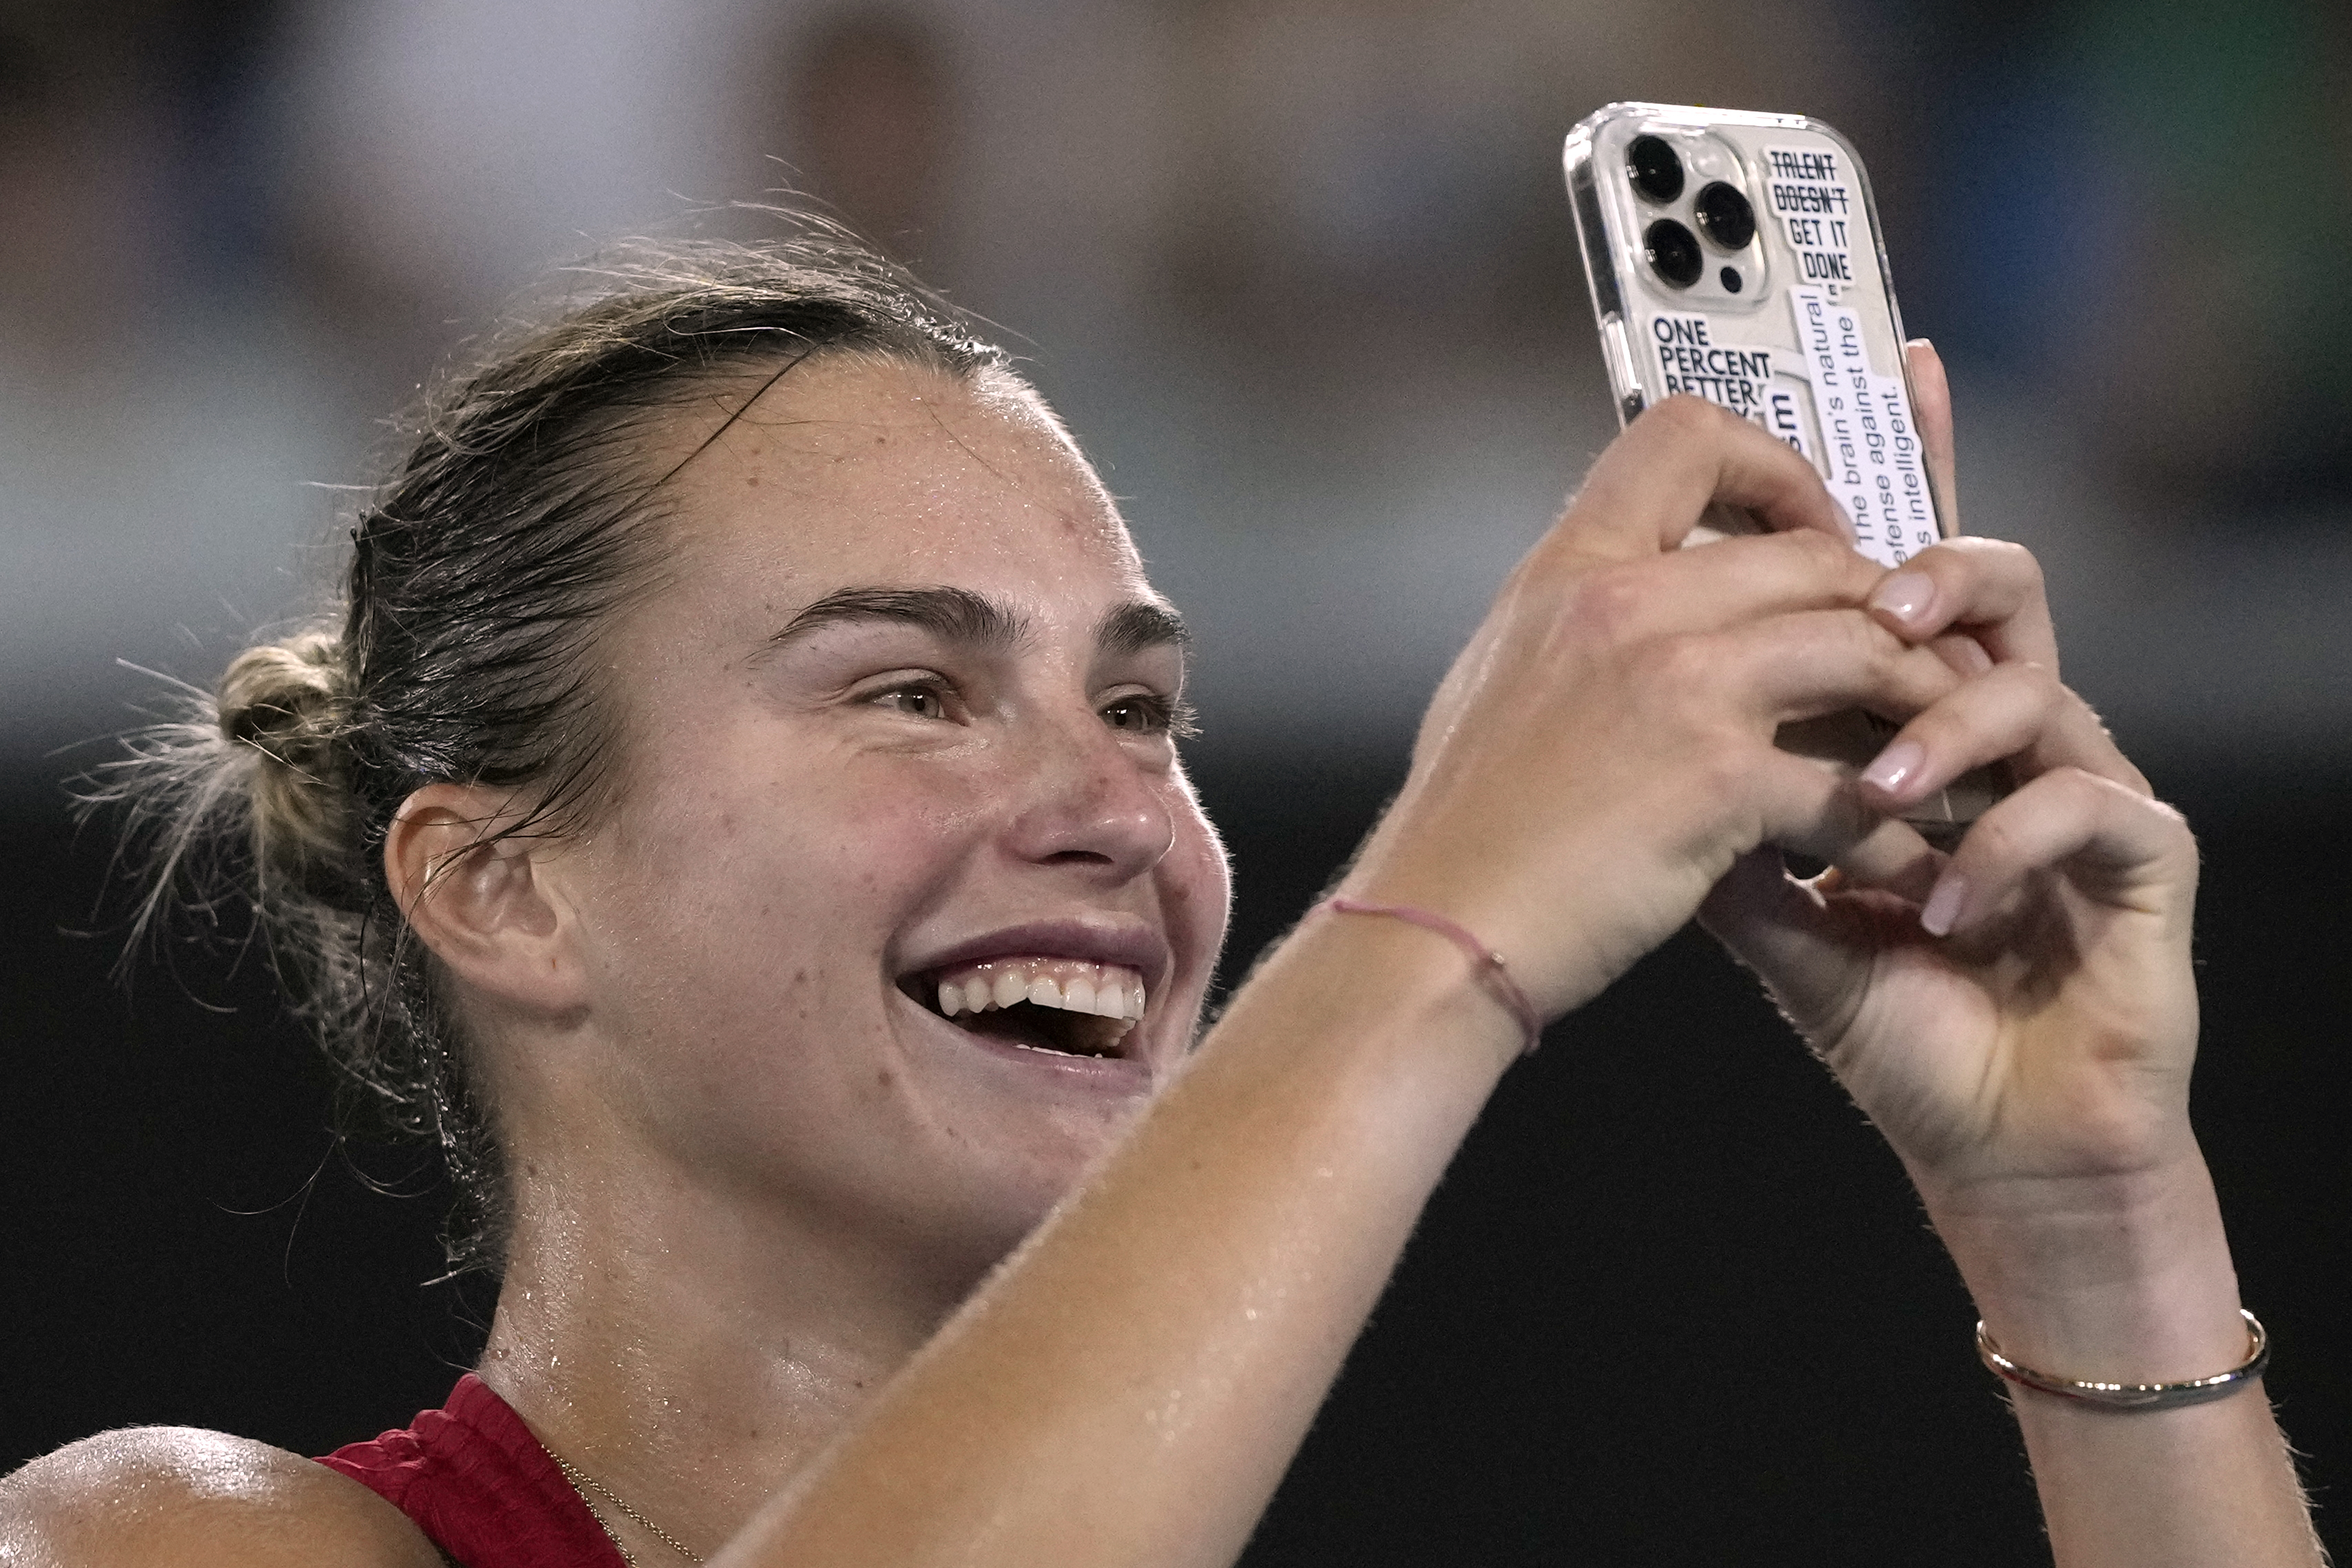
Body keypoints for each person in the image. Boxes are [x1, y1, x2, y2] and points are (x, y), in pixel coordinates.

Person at [0, 228, 2324, 1568]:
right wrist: (1446, 913)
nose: (1110, 805)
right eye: (912, 688)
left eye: (1145, 709)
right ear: (501, 884)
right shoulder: (169, 1550)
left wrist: (2091, 1216)